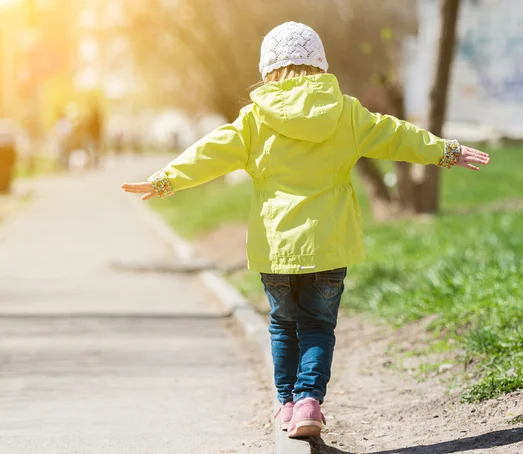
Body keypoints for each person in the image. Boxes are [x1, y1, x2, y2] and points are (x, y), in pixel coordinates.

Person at [122, 22, 490, 439]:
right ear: (319, 64)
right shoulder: (346, 113)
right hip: (329, 243)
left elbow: (211, 152)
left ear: (268, 70)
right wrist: (447, 151)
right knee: (317, 325)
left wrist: (166, 179)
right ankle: (309, 401)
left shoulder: (254, 119)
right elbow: (396, 136)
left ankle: (286, 405)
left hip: (276, 246)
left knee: (282, 324)